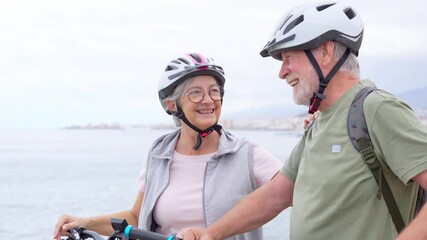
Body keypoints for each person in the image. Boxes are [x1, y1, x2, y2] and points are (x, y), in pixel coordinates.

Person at [177, 2, 427, 240]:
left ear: (326, 51)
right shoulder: (320, 122)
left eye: (288, 58)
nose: (282, 72)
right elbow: (276, 195)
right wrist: (212, 233)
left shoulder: (376, 109)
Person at [53, 53, 282, 240]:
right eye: (195, 92)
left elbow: (295, 191)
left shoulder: (246, 154)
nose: (208, 100)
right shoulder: (159, 153)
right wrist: (85, 222)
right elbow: (136, 216)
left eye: (214, 91)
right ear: (172, 105)